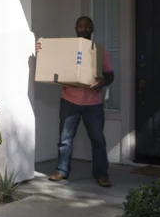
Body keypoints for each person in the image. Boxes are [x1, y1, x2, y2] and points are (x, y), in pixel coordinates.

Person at [36, 16, 114, 188]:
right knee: (65, 139)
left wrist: (102, 82)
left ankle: (101, 174)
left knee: (98, 141)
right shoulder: (66, 49)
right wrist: (40, 49)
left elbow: (110, 75)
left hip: (93, 103)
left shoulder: (100, 50)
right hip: (69, 101)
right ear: (75, 28)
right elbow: (51, 61)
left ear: (92, 29)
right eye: (80, 25)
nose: (83, 28)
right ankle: (61, 171)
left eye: (87, 26)